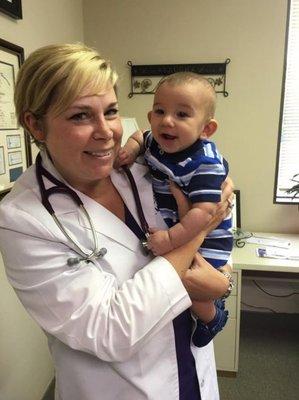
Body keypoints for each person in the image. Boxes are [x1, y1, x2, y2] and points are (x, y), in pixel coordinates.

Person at [0, 44, 234, 400]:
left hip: (193, 369)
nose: (106, 132)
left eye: (110, 112)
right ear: (36, 125)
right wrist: (196, 232)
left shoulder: (143, 167)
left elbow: (219, 223)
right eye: (80, 116)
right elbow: (112, 330)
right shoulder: (22, 219)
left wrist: (221, 283)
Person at [117, 72, 233, 322]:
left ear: (207, 129)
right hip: (183, 228)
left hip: (208, 239)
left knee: (193, 285)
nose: (167, 121)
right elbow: (140, 135)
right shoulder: (156, 142)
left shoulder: (205, 164)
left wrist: (170, 240)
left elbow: (205, 213)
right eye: (159, 111)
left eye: (182, 114)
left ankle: (209, 323)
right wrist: (130, 149)